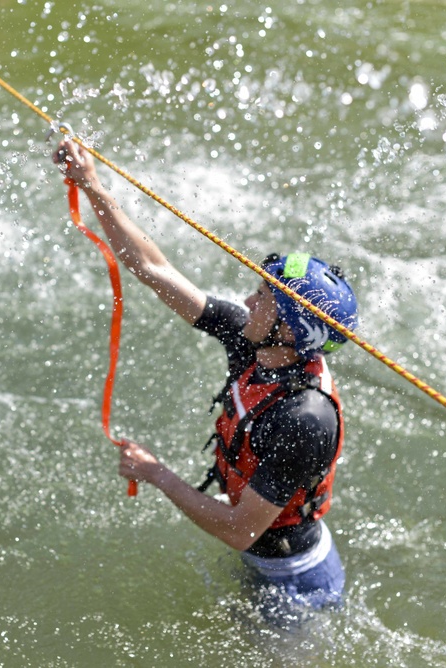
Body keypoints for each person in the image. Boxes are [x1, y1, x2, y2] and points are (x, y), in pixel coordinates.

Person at [53, 138, 359, 624]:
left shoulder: (305, 418)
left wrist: (156, 474)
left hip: (297, 585)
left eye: (264, 298)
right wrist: (91, 186)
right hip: (260, 552)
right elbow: (153, 270)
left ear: (290, 332)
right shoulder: (255, 341)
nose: (248, 300)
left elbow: (240, 530)